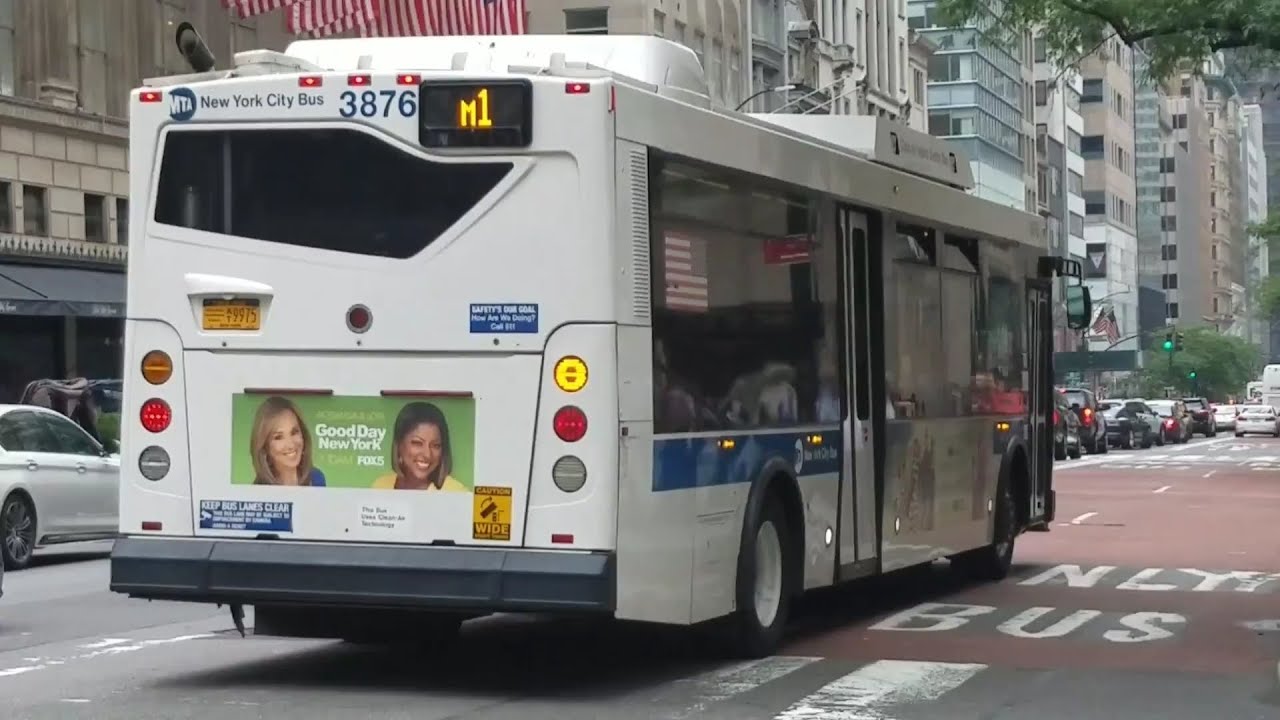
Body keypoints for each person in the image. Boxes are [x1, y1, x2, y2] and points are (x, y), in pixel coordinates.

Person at [372, 401, 466, 491]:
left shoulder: (455, 491)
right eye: (417, 443)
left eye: (436, 446)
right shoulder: (381, 485)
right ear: (399, 444)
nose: (427, 454)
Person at [249, 396, 326, 486]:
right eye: (278, 437)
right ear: (265, 447)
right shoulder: (257, 492)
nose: (290, 445)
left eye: (294, 432)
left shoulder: (316, 478)